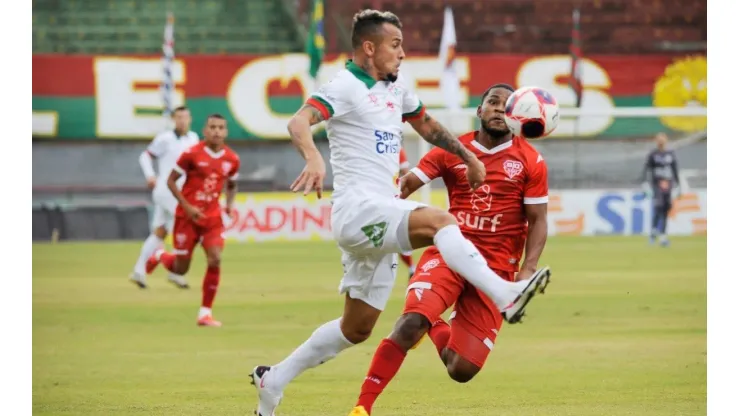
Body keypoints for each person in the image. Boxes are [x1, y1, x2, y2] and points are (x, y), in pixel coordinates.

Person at [250, 10, 549, 416]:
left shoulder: (395, 87)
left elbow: (426, 124)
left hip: (381, 212)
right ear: (369, 48)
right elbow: (299, 122)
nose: (403, 53)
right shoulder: (345, 86)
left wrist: (467, 156)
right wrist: (313, 158)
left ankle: (274, 381)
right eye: (395, 45)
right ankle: (505, 294)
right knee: (444, 221)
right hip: (358, 209)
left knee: (355, 329)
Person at [349, 84, 551, 416]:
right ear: (480, 110)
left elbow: (538, 221)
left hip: (496, 269)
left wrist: (527, 273)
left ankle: (435, 322)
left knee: (461, 369)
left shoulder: (531, 161)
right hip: (449, 253)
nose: (499, 109)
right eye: (492, 102)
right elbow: (407, 184)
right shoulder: (453, 150)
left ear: (517, 113)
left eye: (506, 105)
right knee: (410, 323)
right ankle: (362, 407)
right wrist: (372, 209)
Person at [145, 114, 240, 327]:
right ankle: (160, 255)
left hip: (212, 218)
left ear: (225, 132)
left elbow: (232, 184)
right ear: (205, 131)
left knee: (215, 258)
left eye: (221, 128)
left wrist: (229, 207)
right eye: (212, 127)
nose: (216, 131)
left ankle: (205, 313)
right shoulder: (192, 154)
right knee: (180, 269)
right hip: (186, 218)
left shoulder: (232, 159)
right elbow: (170, 181)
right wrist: (187, 207)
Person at [130, 106, 199, 289]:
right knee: (184, 227)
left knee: (160, 232)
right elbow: (145, 156)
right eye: (179, 117)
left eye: (185, 117)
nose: (182, 120)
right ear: (173, 120)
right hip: (166, 191)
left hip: (180, 192)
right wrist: (150, 175)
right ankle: (174, 271)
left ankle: (139, 270)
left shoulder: (193, 138)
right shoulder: (165, 139)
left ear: (190, 119)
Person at [641, 132, 681, 246]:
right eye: (659, 140)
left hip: (668, 185)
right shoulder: (653, 154)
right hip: (657, 184)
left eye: (662, 140)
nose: (661, 143)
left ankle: (660, 234)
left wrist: (678, 185)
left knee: (666, 209)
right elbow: (646, 169)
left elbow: (675, 170)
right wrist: (645, 183)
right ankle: (656, 232)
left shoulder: (671, 154)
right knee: (659, 207)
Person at [397, 147, 416, 278]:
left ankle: (412, 268)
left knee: (397, 235)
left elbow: (405, 173)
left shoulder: (397, 149)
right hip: (388, 198)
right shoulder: (396, 148)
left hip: (391, 198)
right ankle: (411, 268)